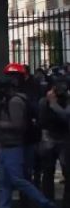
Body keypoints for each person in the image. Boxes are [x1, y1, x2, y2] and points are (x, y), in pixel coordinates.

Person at [0, 65, 54, 208]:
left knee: (18, 180)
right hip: (5, 146)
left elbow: (18, 125)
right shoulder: (5, 100)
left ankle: (45, 203)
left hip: (14, 146)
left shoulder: (15, 101)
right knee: (3, 183)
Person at [39, 76, 70, 205]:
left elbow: (66, 116)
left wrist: (53, 104)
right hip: (50, 138)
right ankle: (48, 201)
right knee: (47, 172)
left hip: (64, 138)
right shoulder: (44, 101)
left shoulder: (67, 101)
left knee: (67, 172)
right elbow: (42, 121)